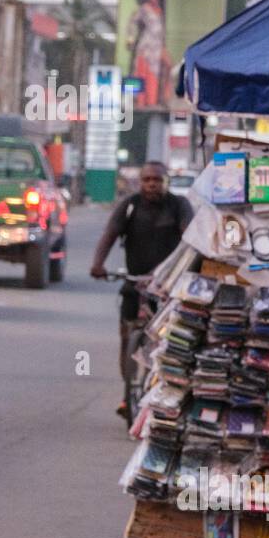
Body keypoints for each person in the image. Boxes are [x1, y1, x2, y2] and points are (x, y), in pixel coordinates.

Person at [90, 160, 192, 415]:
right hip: (135, 282)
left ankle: (167, 391)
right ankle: (128, 392)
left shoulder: (179, 206)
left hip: (169, 285)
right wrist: (98, 264)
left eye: (157, 180)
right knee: (127, 335)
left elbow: (190, 235)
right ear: (140, 182)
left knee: (171, 339)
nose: (151, 185)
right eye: (147, 180)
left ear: (165, 182)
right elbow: (109, 235)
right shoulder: (130, 205)